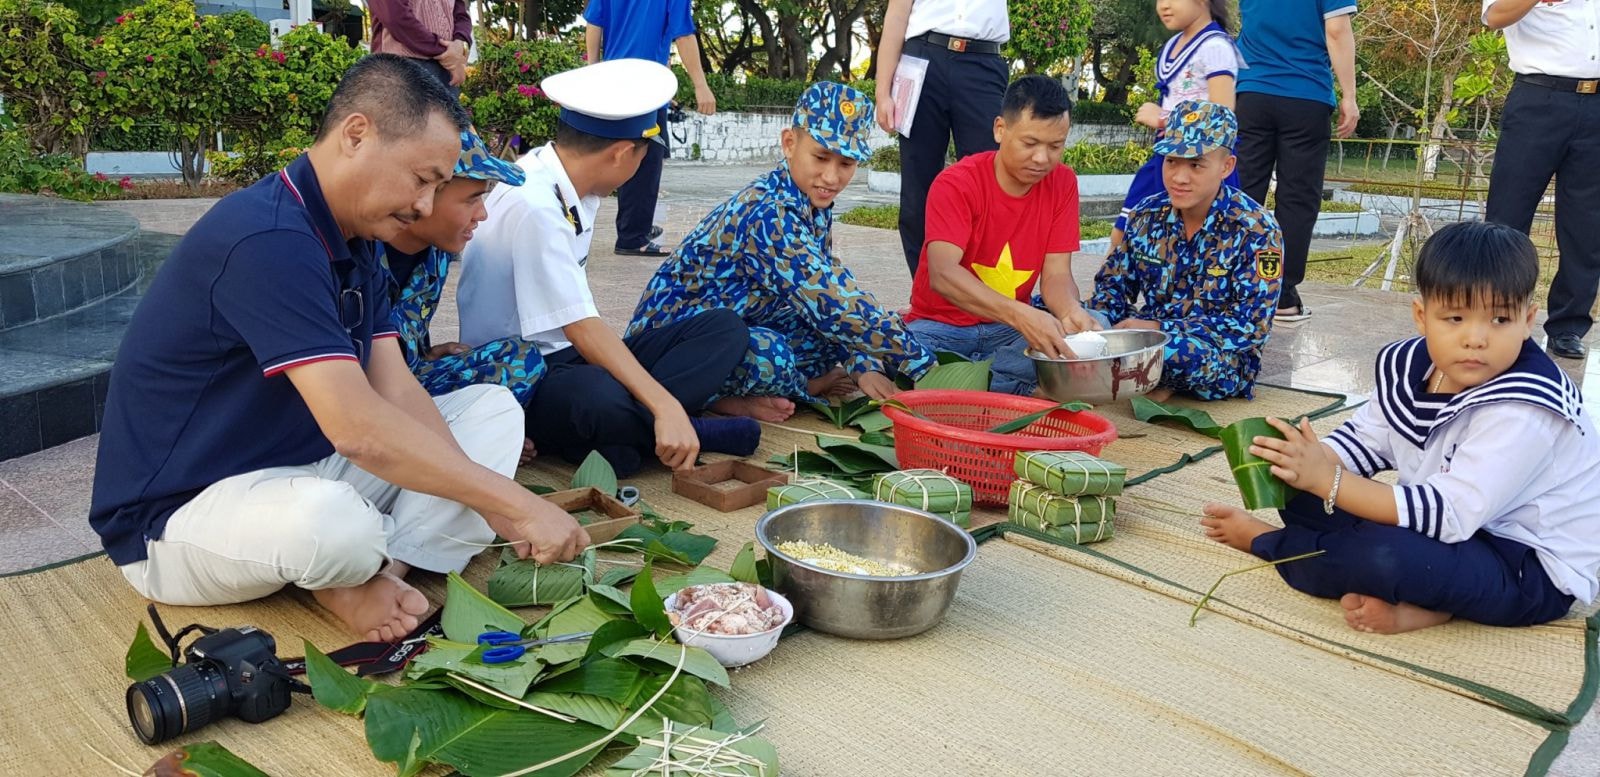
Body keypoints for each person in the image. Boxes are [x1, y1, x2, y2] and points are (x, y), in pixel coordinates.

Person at [88, 55, 589, 643]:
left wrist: (497, 500)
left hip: (300, 466)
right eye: (423, 178)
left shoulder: (355, 238)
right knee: (331, 522)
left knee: (494, 411)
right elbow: (357, 429)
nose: (426, 205)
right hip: (180, 518)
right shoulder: (268, 238)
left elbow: (396, 388)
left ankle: (383, 573)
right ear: (357, 134)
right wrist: (507, 500)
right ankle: (352, 566)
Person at [1201, 221, 1599, 635]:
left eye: (1500, 319)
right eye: (1455, 317)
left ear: (1528, 320)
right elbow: (1367, 439)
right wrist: (1309, 460)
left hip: (1523, 563)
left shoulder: (1526, 405)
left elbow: (1449, 514)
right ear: (1422, 317)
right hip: (1450, 538)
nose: (1476, 338)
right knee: (1299, 492)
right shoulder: (1413, 365)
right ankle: (1434, 601)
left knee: (1383, 556)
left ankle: (1271, 545)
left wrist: (1329, 479)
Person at [456, 59, 756, 477]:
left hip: (571, 355)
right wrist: (664, 403)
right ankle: (690, 428)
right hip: (522, 373)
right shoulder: (536, 205)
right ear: (621, 154)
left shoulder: (565, 181)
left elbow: (583, 336)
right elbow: (581, 326)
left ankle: (624, 435)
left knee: (723, 329)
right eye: (646, 156)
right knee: (596, 398)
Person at [627, 82, 938, 419]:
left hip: (739, 320)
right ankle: (718, 399)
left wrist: (862, 365)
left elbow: (830, 282)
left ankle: (781, 385)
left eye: (846, 164)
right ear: (789, 143)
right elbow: (831, 303)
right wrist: (923, 363)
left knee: (827, 342)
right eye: (820, 157)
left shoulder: (809, 198)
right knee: (772, 357)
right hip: (673, 344)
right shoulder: (769, 212)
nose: (831, 176)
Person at [902, 75, 1097, 397]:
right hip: (939, 330)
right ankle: (1007, 386)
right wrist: (1021, 316)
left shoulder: (1063, 183)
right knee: (898, 351)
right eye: (1030, 144)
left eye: (1055, 146)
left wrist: (1069, 311)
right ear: (1000, 130)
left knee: (1090, 326)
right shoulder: (957, 183)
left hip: (1007, 333)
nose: (1042, 159)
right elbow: (942, 274)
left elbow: (1058, 275)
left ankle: (969, 386)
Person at [1087, 100, 1283, 401]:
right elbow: (1112, 284)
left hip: (1215, 357)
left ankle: (1152, 378)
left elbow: (1250, 326)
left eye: (1196, 164)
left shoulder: (1255, 230)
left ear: (1226, 166)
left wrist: (1158, 328)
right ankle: (1135, 372)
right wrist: (1097, 324)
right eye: (1171, 161)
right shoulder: (1146, 215)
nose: (1179, 177)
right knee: (1057, 314)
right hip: (1144, 340)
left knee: (1182, 354)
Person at [380, 128, 543, 464]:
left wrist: (421, 355)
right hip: (356, 402)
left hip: (403, 385)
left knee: (519, 358)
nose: (482, 214)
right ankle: (463, 446)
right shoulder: (360, 252)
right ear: (424, 194)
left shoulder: (436, 251)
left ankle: (474, 438)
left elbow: (403, 328)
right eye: (472, 199)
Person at [1483, 0, 1600, 361]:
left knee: (1587, 225)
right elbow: (1493, 16)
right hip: (1538, 99)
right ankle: (1497, 315)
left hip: (1596, 104)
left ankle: (1568, 327)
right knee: (1508, 217)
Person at [1234, 0, 1358, 323]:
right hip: (1305, 95)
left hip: (1251, 92)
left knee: (1242, 194)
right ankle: (1280, 294)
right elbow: (1337, 29)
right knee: (1296, 199)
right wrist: (1350, 95)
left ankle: (1231, 284)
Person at [874, 0, 1010, 276]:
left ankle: (981, 290)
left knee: (989, 183)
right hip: (920, 60)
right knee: (917, 188)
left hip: (982, 65)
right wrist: (882, 91)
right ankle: (924, 293)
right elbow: (898, 14)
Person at [585, 0, 717, 257]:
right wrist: (701, 85)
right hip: (645, 83)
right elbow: (683, 34)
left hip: (618, 79)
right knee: (645, 160)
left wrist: (593, 70)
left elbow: (594, 23)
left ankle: (635, 226)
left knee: (627, 153)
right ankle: (633, 238)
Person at [1113, 0, 1243, 250]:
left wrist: (1163, 119)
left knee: (1202, 242)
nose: (1164, 5)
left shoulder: (1215, 46)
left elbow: (1222, 115)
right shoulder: (1173, 45)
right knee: (1124, 231)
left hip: (1201, 165)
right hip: (1166, 159)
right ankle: (1110, 287)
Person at [368, 0, 472, 95]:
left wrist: (460, 43)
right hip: (402, 66)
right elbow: (395, 16)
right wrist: (447, 52)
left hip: (447, 68)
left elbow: (461, 14)